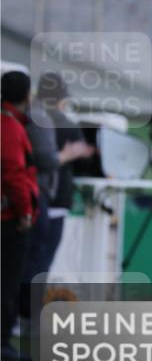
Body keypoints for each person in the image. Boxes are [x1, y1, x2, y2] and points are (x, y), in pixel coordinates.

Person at [19, 75, 92, 327]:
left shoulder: (31, 117)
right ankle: (27, 314)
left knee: (31, 256)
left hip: (37, 195)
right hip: (49, 197)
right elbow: (53, 160)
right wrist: (73, 154)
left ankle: (23, 314)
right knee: (40, 257)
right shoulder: (57, 122)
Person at [1, 71, 38, 361]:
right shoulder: (11, 128)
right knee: (8, 280)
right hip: (9, 217)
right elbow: (14, 174)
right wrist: (25, 211)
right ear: (26, 95)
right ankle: (3, 342)